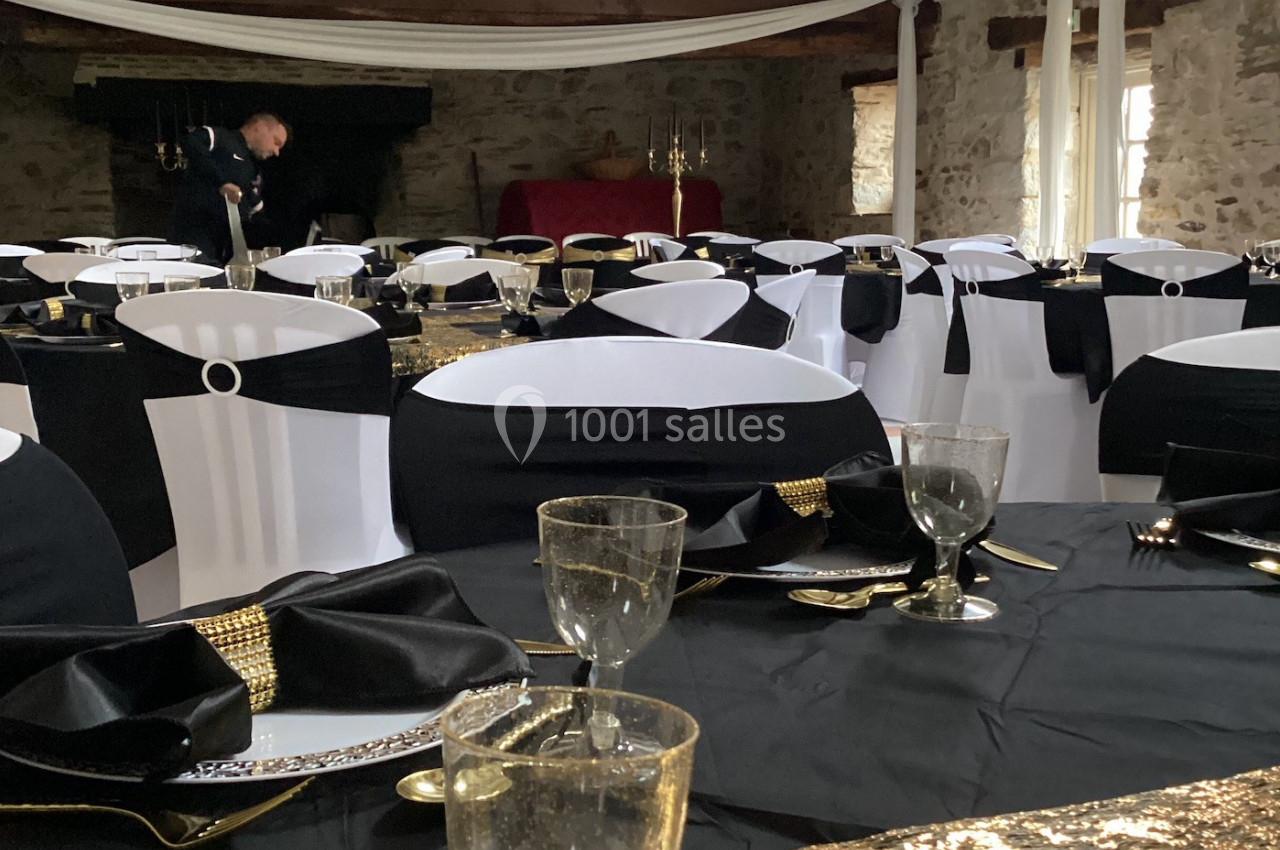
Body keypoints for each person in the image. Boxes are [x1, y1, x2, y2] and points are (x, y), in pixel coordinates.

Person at [168, 113, 288, 262]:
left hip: (223, 245)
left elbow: (254, 204)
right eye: (276, 142)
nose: (276, 152)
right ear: (259, 127)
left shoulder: (252, 167)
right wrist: (222, 182)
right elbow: (192, 142)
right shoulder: (221, 138)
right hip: (194, 236)